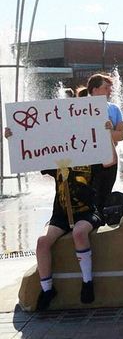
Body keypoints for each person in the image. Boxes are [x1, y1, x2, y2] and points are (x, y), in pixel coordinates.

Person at [5, 122, 111, 310]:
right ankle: (47, 289)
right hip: (61, 213)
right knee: (42, 242)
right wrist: (13, 139)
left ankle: (87, 282)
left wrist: (107, 134)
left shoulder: (91, 157)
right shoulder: (57, 157)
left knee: (79, 233)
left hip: (87, 211)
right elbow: (30, 157)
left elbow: (110, 161)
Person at [83, 73, 123, 214]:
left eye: (110, 88)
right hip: (88, 159)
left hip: (109, 159)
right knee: (88, 194)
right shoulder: (79, 109)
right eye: (106, 87)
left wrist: (106, 132)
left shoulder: (114, 109)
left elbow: (121, 135)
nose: (110, 91)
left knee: (105, 193)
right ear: (94, 90)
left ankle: (99, 220)